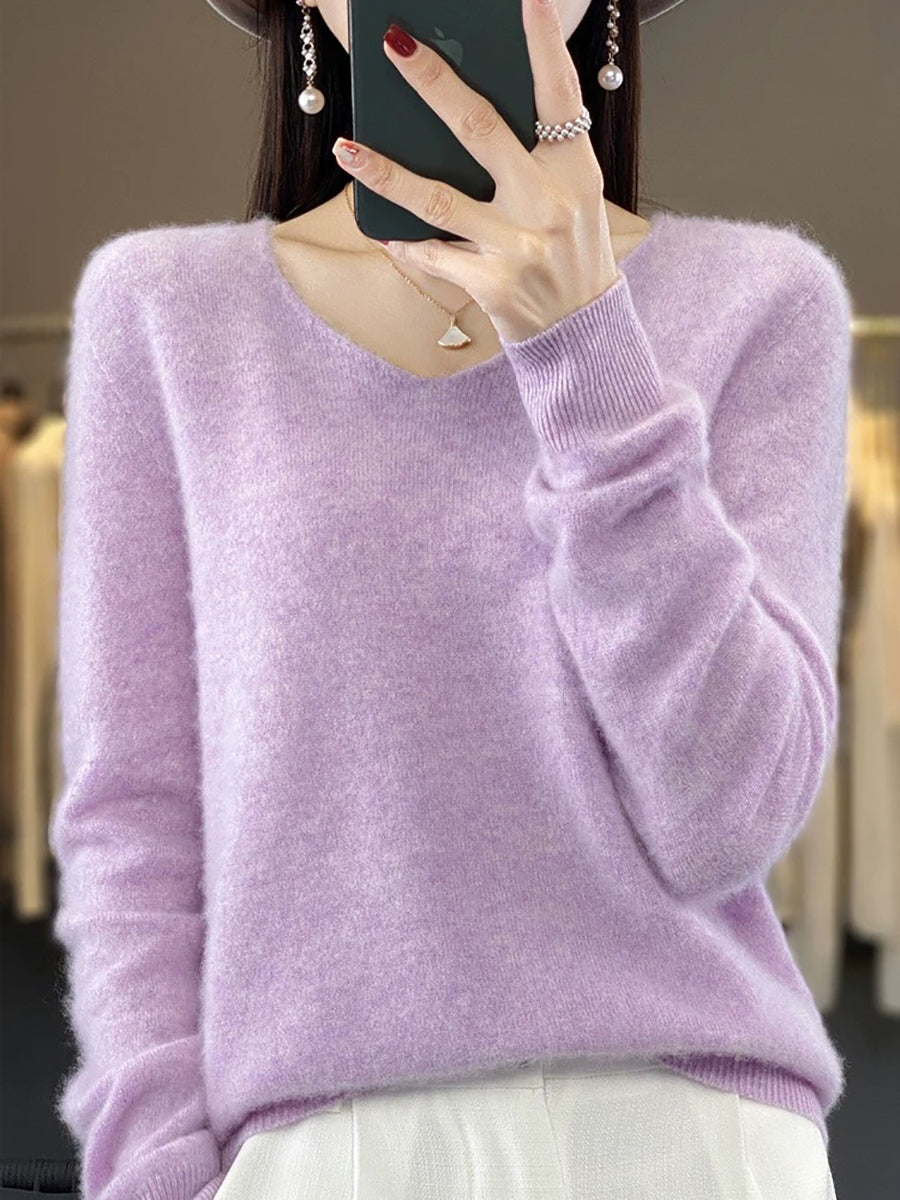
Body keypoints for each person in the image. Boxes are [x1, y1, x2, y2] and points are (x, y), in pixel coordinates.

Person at [50, 1, 850, 1197]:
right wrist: (153, 1173)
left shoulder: (764, 299)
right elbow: (133, 821)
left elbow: (727, 820)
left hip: (692, 1136)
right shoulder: (164, 311)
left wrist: (586, 347)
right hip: (323, 1150)